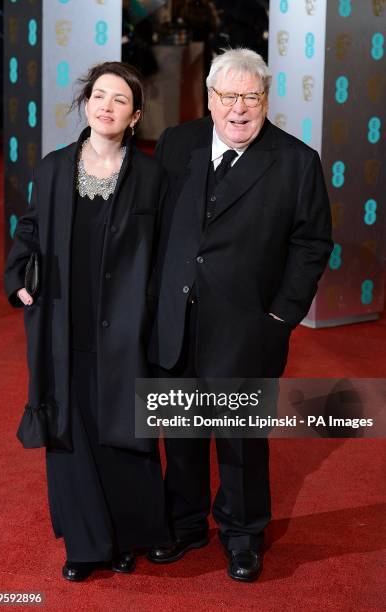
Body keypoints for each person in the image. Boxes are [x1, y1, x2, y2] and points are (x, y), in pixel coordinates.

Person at [147, 48, 332, 581]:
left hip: (248, 328)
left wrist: (279, 317)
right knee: (178, 433)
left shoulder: (297, 161)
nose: (239, 108)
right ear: (209, 99)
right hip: (174, 322)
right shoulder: (176, 144)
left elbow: (312, 243)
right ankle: (183, 525)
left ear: (265, 100)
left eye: (251, 96)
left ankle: (243, 533)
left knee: (241, 441)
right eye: (228, 96)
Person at [4, 61, 170, 581]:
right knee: (70, 430)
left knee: (120, 430)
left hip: (124, 326)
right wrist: (18, 278)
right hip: (62, 321)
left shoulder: (151, 176)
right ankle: (84, 544)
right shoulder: (54, 167)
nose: (107, 106)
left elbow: (164, 252)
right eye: (99, 95)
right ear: (86, 103)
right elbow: (29, 230)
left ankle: (126, 539)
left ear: (136, 115)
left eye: (120, 100)